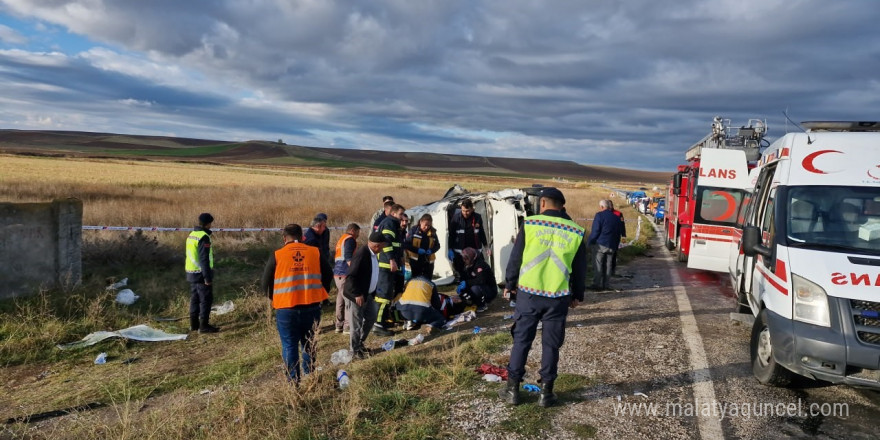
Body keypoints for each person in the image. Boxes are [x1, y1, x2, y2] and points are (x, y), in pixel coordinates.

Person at [499, 188, 586, 408]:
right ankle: (546, 394)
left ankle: (512, 390)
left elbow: (516, 257)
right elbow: (580, 268)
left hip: (528, 294)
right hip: (557, 296)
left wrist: (509, 284)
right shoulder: (576, 231)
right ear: (561, 205)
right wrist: (577, 295)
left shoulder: (530, 224)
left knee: (521, 341)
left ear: (543, 203)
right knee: (551, 346)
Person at [260, 224, 333, 383]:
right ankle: (311, 376)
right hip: (312, 306)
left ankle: (293, 382)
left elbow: (265, 284)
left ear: (284, 238)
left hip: (286, 309)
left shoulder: (277, 255)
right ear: (302, 236)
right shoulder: (315, 252)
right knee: (309, 344)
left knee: (289, 346)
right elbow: (328, 274)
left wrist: (276, 298)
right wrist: (321, 292)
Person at [343, 231, 386, 359]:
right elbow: (351, 276)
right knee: (356, 324)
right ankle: (354, 351)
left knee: (372, 316)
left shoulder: (373, 254)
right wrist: (357, 294)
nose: (384, 248)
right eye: (383, 245)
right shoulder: (362, 254)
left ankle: (360, 343)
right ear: (377, 246)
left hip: (368, 294)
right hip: (357, 296)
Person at [374, 204, 405, 335]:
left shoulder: (393, 224)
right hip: (386, 265)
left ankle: (383, 320)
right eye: (401, 214)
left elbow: (396, 244)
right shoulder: (389, 224)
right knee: (383, 296)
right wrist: (392, 260)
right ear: (393, 214)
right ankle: (377, 325)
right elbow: (386, 243)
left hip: (390, 265)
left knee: (387, 295)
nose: (402, 217)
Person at [185, 213, 220, 333]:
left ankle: (194, 325)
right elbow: (204, 258)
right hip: (201, 273)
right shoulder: (204, 237)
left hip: (191, 272)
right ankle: (204, 326)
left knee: (195, 299)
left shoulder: (192, 234)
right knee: (206, 299)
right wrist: (207, 277)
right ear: (208, 224)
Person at [448, 199, 489, 283]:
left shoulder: (477, 218)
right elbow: (451, 235)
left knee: (478, 269)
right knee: (461, 272)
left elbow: (481, 232)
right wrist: (450, 248)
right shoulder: (456, 218)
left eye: (467, 211)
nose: (465, 213)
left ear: (472, 209)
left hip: (475, 250)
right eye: (463, 210)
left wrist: (486, 246)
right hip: (460, 252)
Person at [588, 200, 624, 291]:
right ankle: (606, 284)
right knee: (608, 265)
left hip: (600, 244)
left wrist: (590, 242)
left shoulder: (599, 215)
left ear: (602, 207)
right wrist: (616, 245)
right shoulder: (616, 217)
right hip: (612, 245)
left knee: (598, 264)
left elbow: (595, 231)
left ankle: (597, 284)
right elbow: (619, 232)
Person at [333, 223, 360, 333]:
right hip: (345, 273)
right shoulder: (350, 240)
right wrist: (354, 270)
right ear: (353, 230)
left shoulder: (342, 239)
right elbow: (349, 257)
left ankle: (339, 325)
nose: (358, 235)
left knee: (340, 300)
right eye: (358, 232)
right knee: (349, 300)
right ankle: (348, 326)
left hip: (337, 274)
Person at [456, 247, 497, 312]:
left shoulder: (480, 265)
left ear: (471, 258)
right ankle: (473, 302)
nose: (464, 260)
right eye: (463, 258)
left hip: (489, 289)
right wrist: (461, 284)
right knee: (464, 291)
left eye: (466, 258)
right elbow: (465, 277)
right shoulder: (467, 265)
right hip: (477, 285)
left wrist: (466, 283)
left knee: (475, 288)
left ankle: (482, 304)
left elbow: (481, 280)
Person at [405, 214, 441, 279]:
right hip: (415, 262)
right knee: (415, 280)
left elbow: (437, 245)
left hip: (428, 262)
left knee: (427, 280)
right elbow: (407, 244)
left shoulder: (433, 232)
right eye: (425, 225)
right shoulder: (414, 230)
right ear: (420, 222)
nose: (426, 227)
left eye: (429, 225)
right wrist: (417, 250)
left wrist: (431, 251)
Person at [606, 199, 627, 277]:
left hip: (615, 237)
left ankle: (612, 271)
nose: (611, 206)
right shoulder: (603, 214)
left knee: (614, 255)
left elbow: (622, 225)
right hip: (607, 238)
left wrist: (624, 236)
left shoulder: (619, 214)